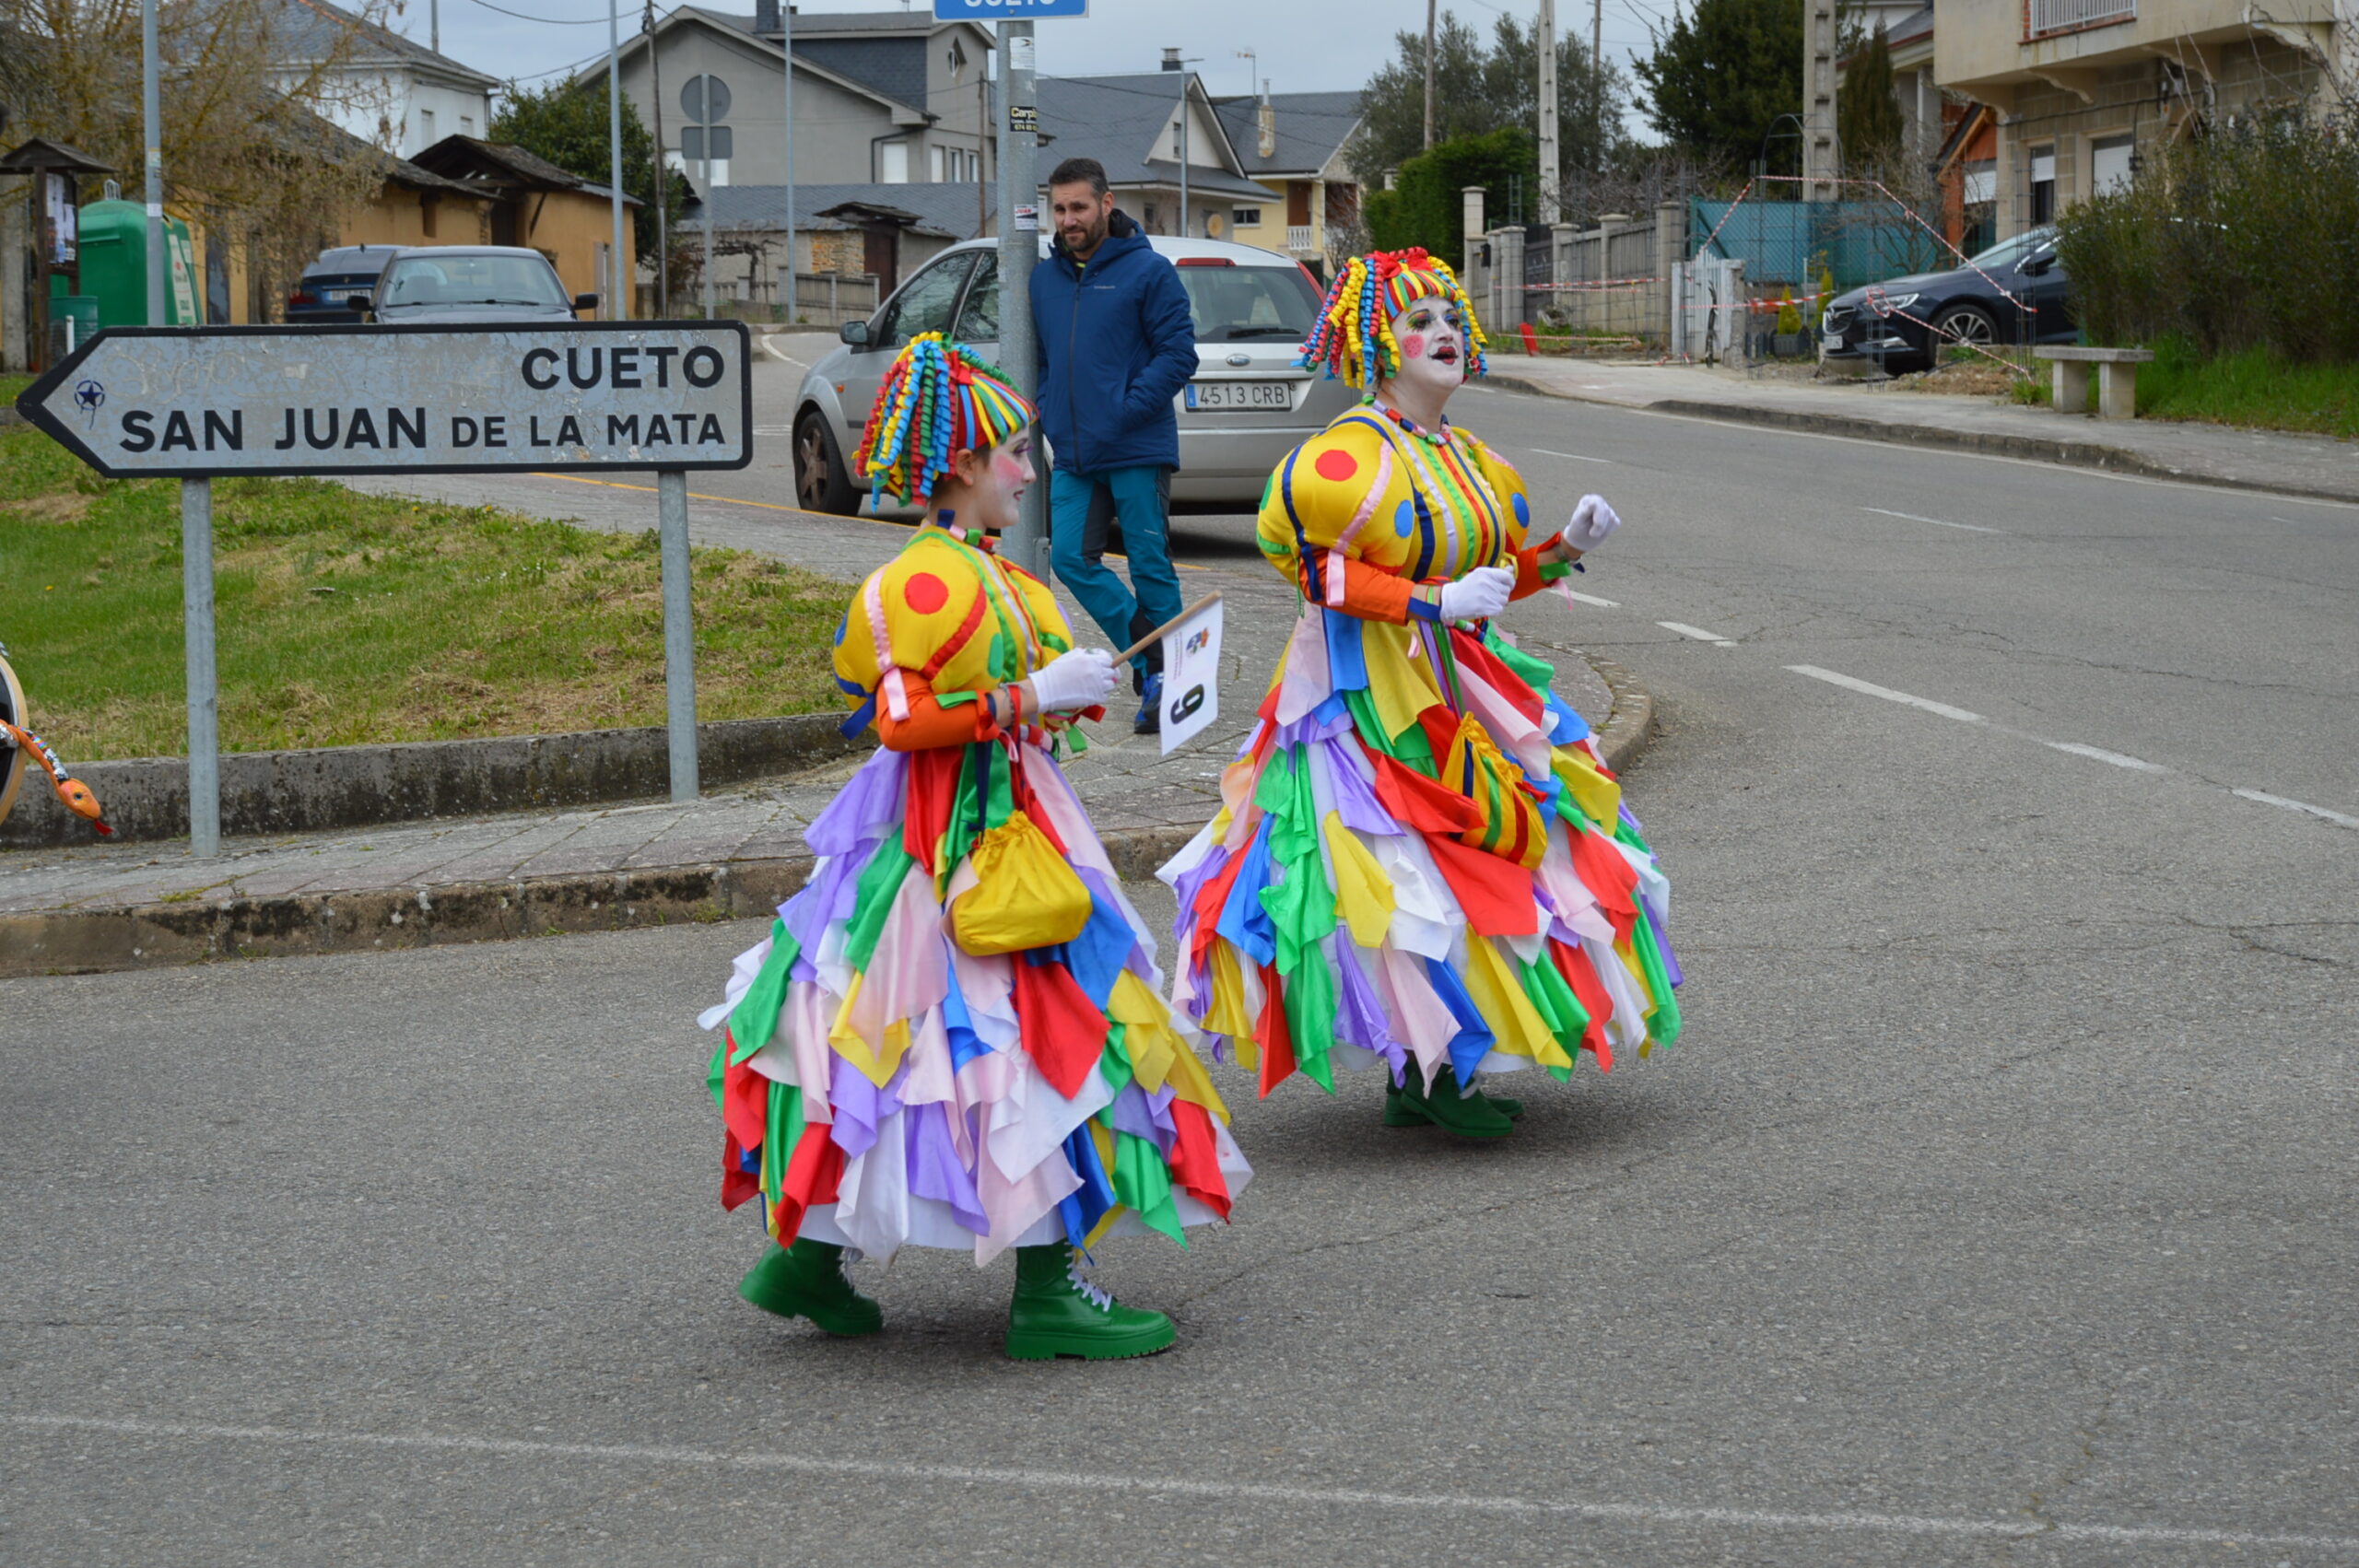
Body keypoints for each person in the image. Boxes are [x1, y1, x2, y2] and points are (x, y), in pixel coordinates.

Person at [698, 333, 1250, 1359]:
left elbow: (995, 701)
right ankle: (1045, 1290)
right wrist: (1028, 695)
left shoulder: (986, 571)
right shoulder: (921, 578)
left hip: (998, 825)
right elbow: (904, 720)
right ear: (960, 460)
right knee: (1033, 1041)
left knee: (894, 1049)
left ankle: (807, 1261)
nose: (1029, 470)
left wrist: (1063, 694)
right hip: (955, 848)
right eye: (1013, 453)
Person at [1158, 249, 1682, 1140]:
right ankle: (1427, 1072)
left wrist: (1560, 548)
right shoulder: (1345, 459)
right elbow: (1314, 571)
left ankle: (1435, 1065)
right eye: (1416, 322)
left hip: (1460, 679)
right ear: (1377, 342)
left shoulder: (1465, 455)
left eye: (1448, 316)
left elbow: (1490, 578)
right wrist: (1428, 600)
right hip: (1369, 696)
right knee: (1402, 871)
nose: (1440, 332)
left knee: (1486, 851)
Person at [1030, 156, 1198, 734]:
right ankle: (1157, 658)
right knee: (1071, 560)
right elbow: (1045, 360)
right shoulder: (1044, 278)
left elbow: (1179, 354)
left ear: (1106, 203)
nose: (1069, 219)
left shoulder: (1149, 271)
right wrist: (1051, 411)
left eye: (1079, 206)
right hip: (1074, 451)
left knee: (1150, 564)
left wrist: (1124, 409)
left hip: (1136, 445)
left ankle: (1171, 687)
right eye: (1059, 208)